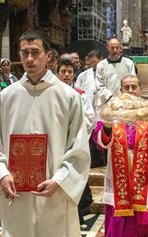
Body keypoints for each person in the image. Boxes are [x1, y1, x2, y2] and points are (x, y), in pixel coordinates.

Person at [0, 30, 90, 237]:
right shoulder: (6, 98)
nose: (29, 59)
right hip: (16, 193)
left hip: (53, 191)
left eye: (35, 53)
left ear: (48, 56)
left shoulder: (68, 97)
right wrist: (1, 174)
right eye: (24, 53)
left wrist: (61, 179)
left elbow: (79, 148)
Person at [93, 75, 148, 237]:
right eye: (127, 87)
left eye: (134, 87)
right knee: (118, 208)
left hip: (144, 166)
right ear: (121, 90)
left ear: (141, 90)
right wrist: (108, 127)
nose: (131, 90)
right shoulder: (112, 110)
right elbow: (100, 140)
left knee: (145, 211)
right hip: (118, 167)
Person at [57, 58, 95, 226]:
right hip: (56, 145)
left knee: (74, 178)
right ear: (57, 73)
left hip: (75, 143)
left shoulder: (81, 95)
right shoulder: (52, 93)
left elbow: (89, 119)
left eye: (69, 72)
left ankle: (77, 215)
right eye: (63, 71)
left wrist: (74, 133)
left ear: (74, 75)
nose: (66, 75)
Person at [96, 38, 136, 105]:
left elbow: (133, 81)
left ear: (121, 48)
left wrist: (125, 96)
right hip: (107, 101)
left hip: (125, 101)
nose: (115, 50)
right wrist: (110, 97)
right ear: (107, 48)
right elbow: (99, 85)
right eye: (112, 48)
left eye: (117, 48)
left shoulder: (129, 63)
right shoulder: (101, 65)